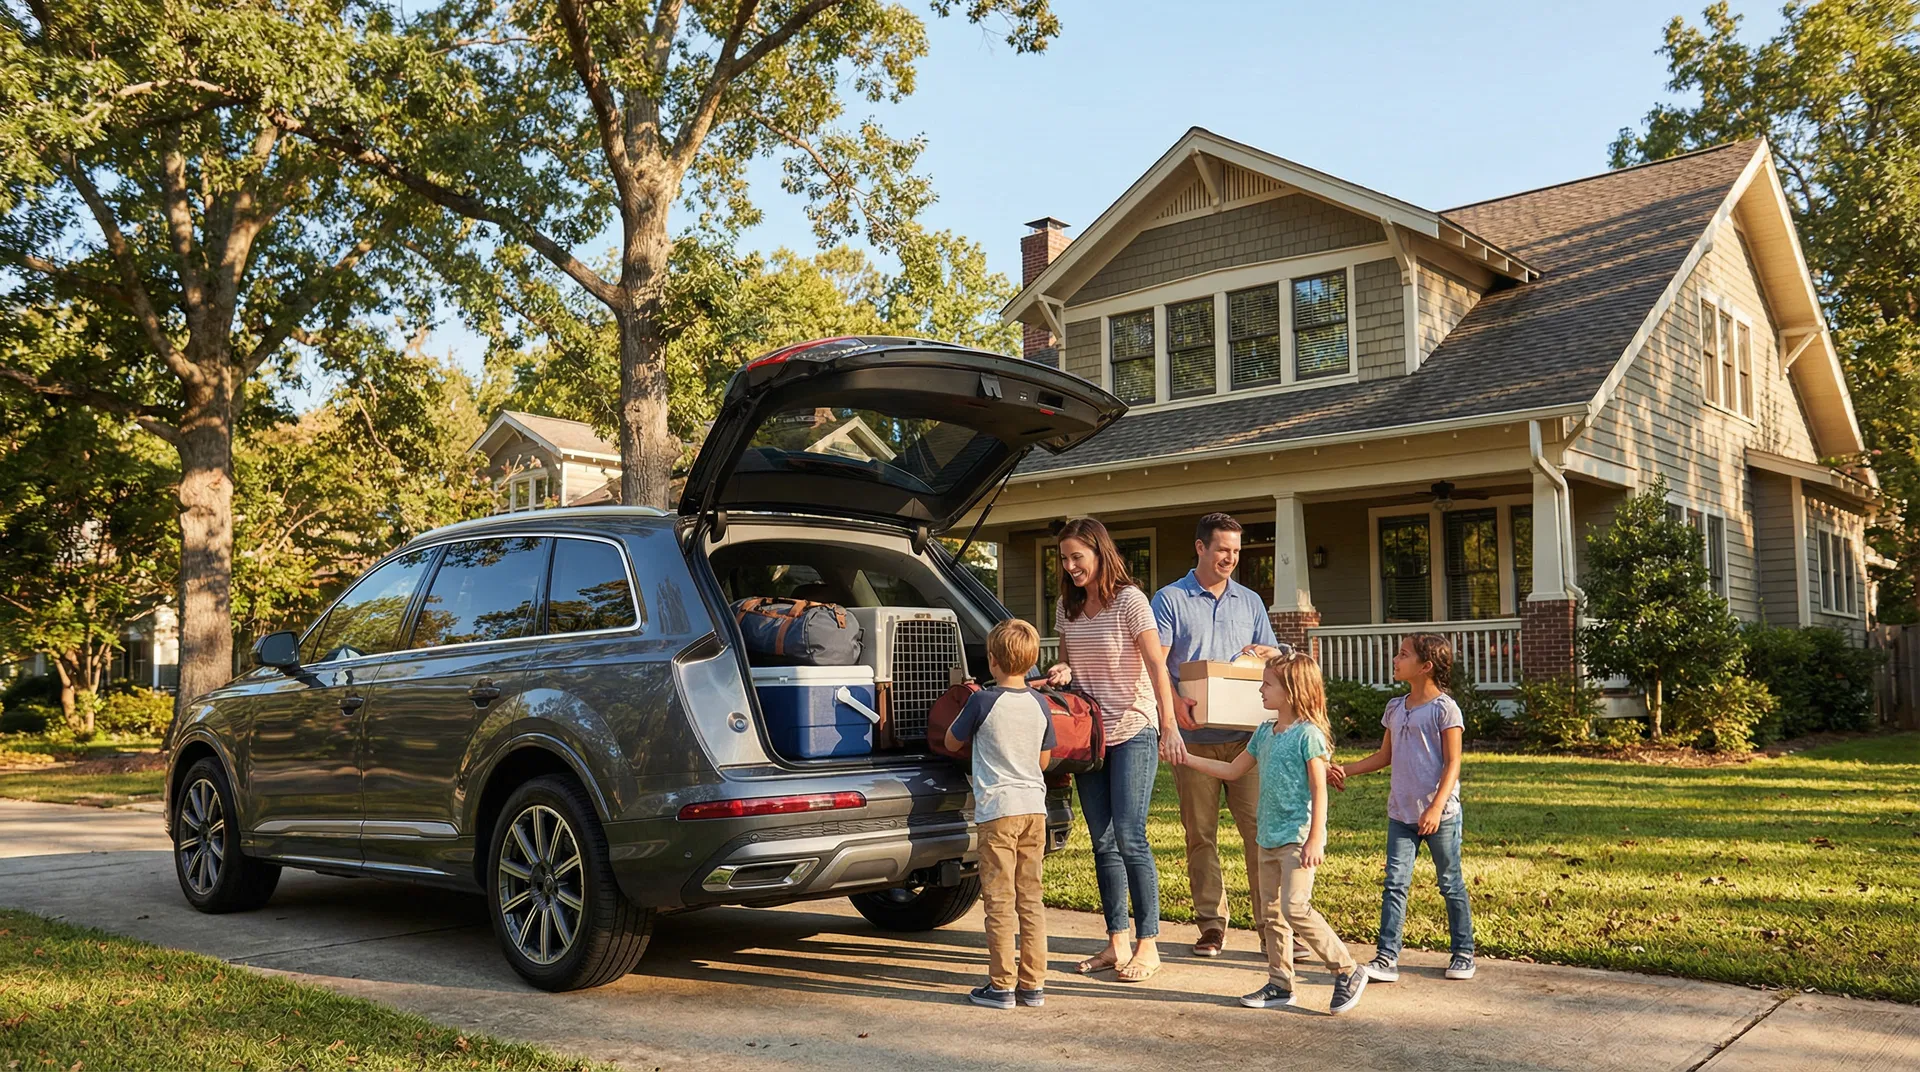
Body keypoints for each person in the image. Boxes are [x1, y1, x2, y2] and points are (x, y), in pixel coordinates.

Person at [1176, 651, 1367, 1015]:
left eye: (1267, 684)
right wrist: (1186, 757)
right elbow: (1233, 770)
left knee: (1295, 907)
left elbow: (1319, 789)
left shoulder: (1308, 736)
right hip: (1267, 837)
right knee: (1273, 914)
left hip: (1296, 838)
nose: (1260, 690)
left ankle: (1347, 968)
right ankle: (1280, 983)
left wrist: (1316, 836)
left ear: (1292, 691)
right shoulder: (1265, 731)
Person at [1044, 516, 1186, 983]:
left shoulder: (1131, 601)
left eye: (1077, 558)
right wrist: (1061, 669)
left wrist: (1169, 725)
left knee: (1129, 834)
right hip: (1091, 734)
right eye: (1064, 560)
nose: (1070, 567)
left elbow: (1156, 667)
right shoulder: (1067, 607)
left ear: (1100, 553)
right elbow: (1067, 657)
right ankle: (1116, 941)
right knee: (1102, 840)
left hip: (1134, 726)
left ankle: (1148, 943)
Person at [1151, 512, 1284, 958]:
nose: (1230, 558)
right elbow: (1159, 665)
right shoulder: (1170, 600)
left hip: (1248, 739)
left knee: (1259, 834)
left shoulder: (1250, 602)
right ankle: (1211, 925)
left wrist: (1274, 651)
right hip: (1195, 740)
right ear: (1201, 548)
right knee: (1200, 835)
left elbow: (1275, 659)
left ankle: (1272, 929)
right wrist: (1173, 704)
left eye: (1236, 551)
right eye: (1223, 549)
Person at [1330, 633, 1477, 983]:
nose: (1395, 660)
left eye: (1403, 655)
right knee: (1394, 883)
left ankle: (1463, 952)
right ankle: (1386, 957)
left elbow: (1453, 764)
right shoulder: (1395, 708)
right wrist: (1344, 769)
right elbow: (1385, 756)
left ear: (1425, 666)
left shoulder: (1445, 709)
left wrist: (1435, 809)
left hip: (1440, 816)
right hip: (1401, 814)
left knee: (1450, 883)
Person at [945, 618, 1056, 1010]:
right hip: (1033, 809)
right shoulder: (1041, 704)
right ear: (1031, 662)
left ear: (992, 660)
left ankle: (1002, 985)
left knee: (998, 898)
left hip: (997, 811)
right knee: (1030, 897)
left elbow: (951, 739)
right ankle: (1033, 985)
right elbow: (1043, 761)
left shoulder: (981, 700)